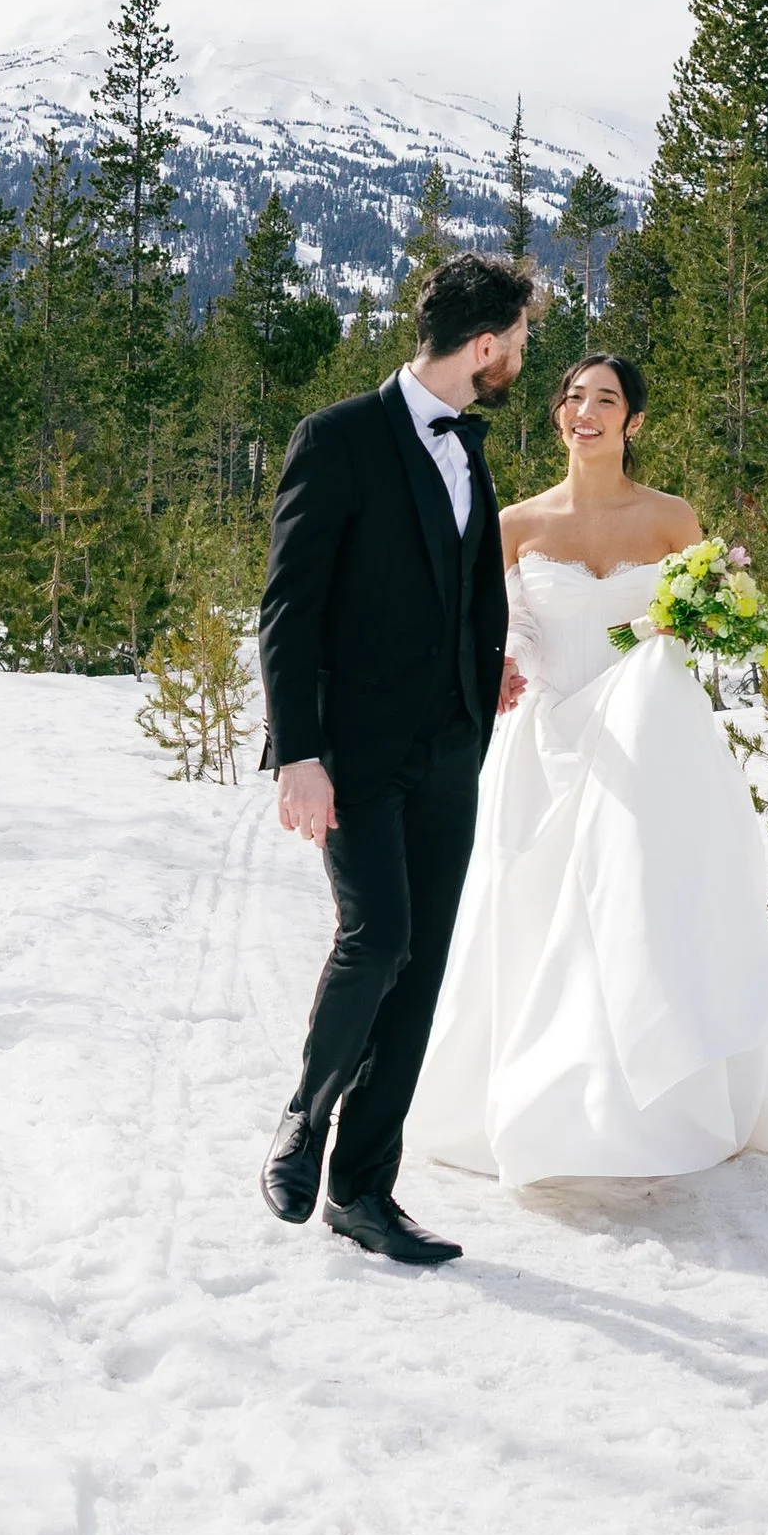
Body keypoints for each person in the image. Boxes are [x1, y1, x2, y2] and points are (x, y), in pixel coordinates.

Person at [413, 352, 768, 1185]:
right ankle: (546, 1100)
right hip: (551, 740)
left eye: (605, 400)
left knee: (645, 906)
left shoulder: (673, 519)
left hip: (648, 744)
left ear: (633, 422)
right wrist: (502, 664)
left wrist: (699, 628)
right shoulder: (517, 523)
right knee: (540, 913)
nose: (585, 412)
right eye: (572, 398)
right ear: (558, 416)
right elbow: (501, 626)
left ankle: (666, 1102)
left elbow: (707, 621)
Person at [257, 251, 537, 1266]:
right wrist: (300, 752)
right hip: (356, 752)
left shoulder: (470, 446)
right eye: (516, 345)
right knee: (374, 939)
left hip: (451, 748)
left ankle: (363, 1191)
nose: (518, 362)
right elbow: (288, 606)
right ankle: (304, 1115)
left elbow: (457, 584)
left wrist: (480, 677)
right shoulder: (336, 437)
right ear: (484, 344)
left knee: (418, 972)